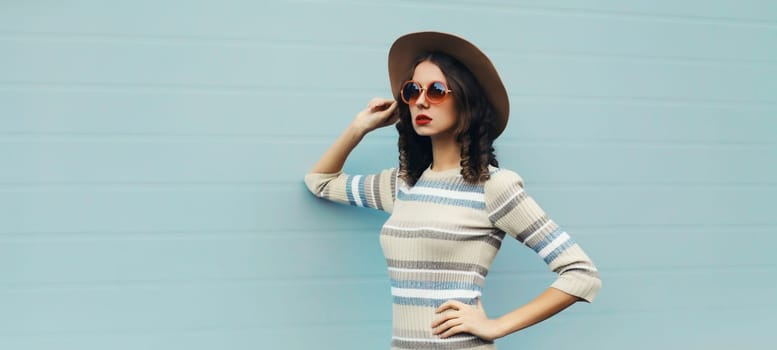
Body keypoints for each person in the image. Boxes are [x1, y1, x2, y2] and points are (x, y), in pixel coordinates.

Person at [304, 31, 601, 349]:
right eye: (412, 90)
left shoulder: (493, 187)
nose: (420, 100)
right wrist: (359, 127)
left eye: (436, 91)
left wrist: (496, 326)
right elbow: (321, 181)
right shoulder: (404, 183)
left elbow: (582, 274)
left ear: (465, 100)